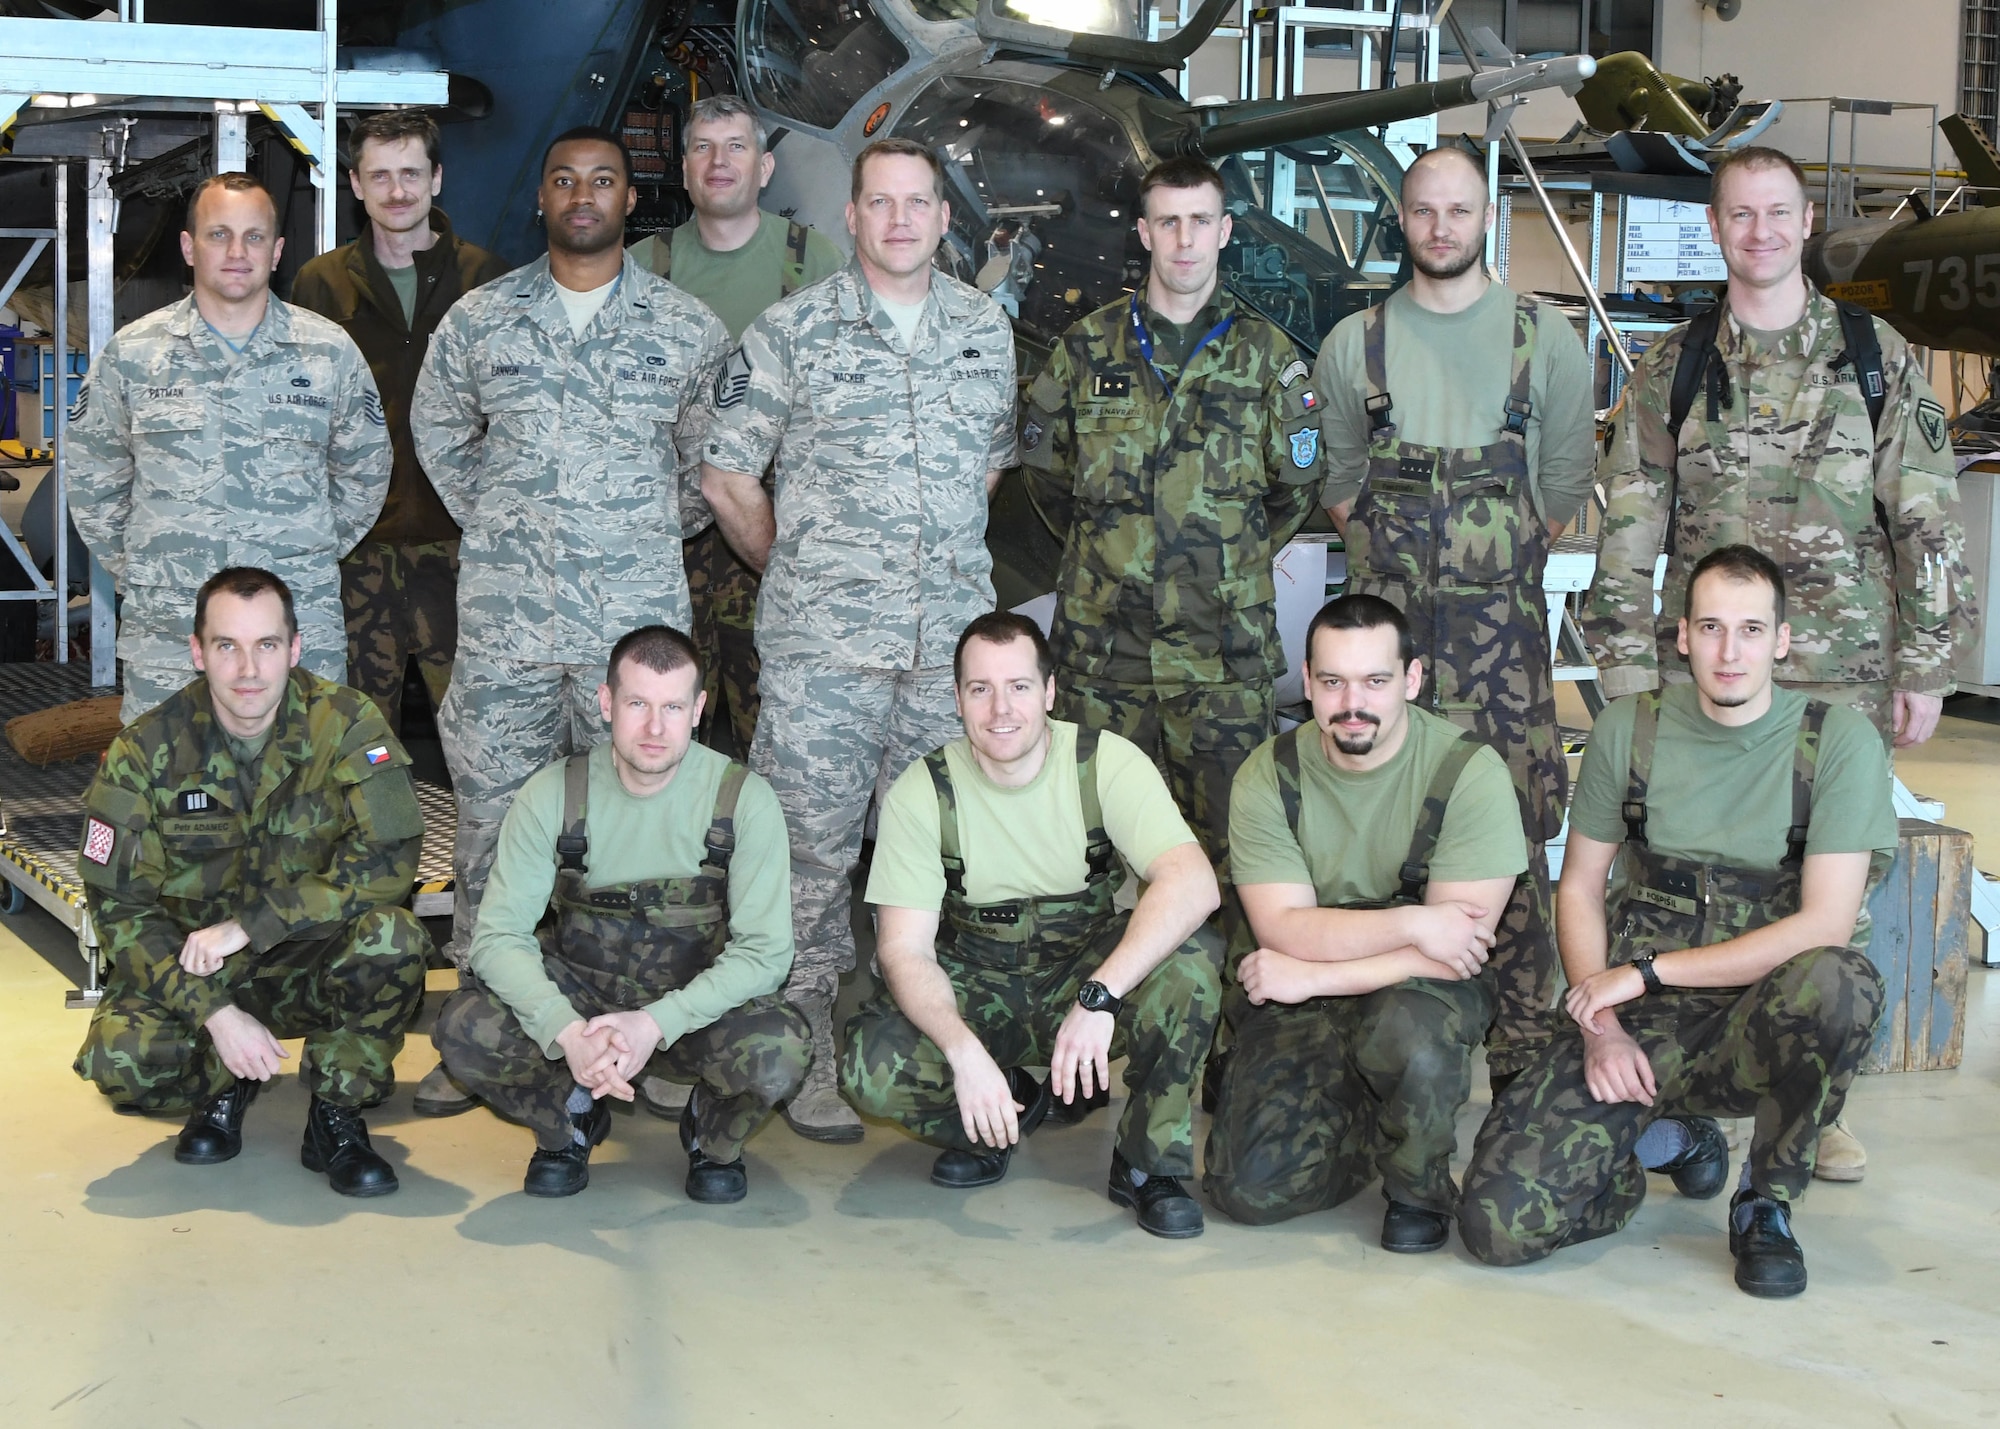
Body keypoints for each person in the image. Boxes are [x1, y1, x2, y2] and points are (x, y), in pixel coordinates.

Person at [1582, 144, 1971, 1180]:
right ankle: (1686, 1076)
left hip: (1836, 676)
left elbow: (1924, 516)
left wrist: (1927, 660)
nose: (1755, 231)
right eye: (1736, 215)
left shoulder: (1874, 355)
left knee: (1834, 885)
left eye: (1774, 214)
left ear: (1805, 225)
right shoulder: (1671, 370)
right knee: (1682, 878)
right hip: (1698, 677)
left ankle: (1812, 1101)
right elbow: (1629, 521)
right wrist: (1622, 665)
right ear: (1714, 229)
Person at [1462, 546, 1895, 1298]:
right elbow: (1581, 886)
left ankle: (1767, 1199)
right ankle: (1670, 1141)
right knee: (1497, 1225)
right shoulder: (1631, 730)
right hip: (1641, 1022)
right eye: (1713, 628)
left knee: (1840, 983)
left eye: (1753, 630)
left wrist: (1645, 972)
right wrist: (1603, 1025)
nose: (1731, 652)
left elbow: (1824, 923)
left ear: (1782, 641)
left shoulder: (1837, 742)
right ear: (1684, 636)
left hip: (1763, 1018)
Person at [697, 137, 1017, 1143]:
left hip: (946, 663)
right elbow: (725, 475)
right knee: (806, 857)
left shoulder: (983, 331)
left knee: (942, 859)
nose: (897, 221)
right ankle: (807, 1051)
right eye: (878, 204)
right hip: (822, 656)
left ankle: (923, 1042)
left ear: (942, 218)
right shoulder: (789, 333)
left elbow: (986, 473)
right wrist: (792, 569)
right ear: (851, 217)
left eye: (915, 204)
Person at [409, 126, 729, 1116]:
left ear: (632, 201)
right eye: (563, 180)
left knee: (638, 838)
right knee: (492, 832)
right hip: (506, 628)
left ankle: (643, 1036)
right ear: (540, 197)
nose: (582, 195)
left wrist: (622, 529)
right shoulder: (480, 322)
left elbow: (705, 468)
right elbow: (439, 434)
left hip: (629, 635)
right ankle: (482, 1036)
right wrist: (512, 518)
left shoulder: (685, 330)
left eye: (602, 180)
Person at [1311, 144, 1596, 1095]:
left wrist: (1489, 554)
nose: (1441, 228)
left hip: (1506, 671)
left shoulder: (1543, 340)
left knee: (1513, 849)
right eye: (1424, 210)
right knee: (1383, 843)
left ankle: (1522, 1058)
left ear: (1487, 219)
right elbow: (1342, 487)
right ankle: (1393, 1046)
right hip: (1386, 673)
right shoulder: (1357, 345)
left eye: (1460, 211)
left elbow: (1560, 489)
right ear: (1404, 219)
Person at [843, 613, 1224, 1237]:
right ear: (959, 698)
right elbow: (904, 952)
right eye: (980, 689)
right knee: (869, 1064)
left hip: (1083, 972)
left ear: (1049, 693)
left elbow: (1193, 884)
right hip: (977, 979)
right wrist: (963, 1054)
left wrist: (1101, 996)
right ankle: (997, 1113)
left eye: (1019, 687)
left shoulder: (1105, 764)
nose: (1001, 709)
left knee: (1194, 960)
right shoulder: (922, 791)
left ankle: (1146, 1164)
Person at [1017, 154, 1319, 906]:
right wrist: (1115, 555)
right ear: (1145, 233)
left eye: (1201, 222)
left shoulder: (1269, 358)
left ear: (1223, 232)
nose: (1185, 240)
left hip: (1221, 669)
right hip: (1102, 664)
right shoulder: (1085, 351)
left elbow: (1296, 490)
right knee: (1087, 861)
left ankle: (1217, 1019)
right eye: (1169, 222)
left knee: (1230, 865)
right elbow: (1048, 480)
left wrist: (1222, 558)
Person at [72, 567, 429, 1197]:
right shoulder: (145, 750)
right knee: (122, 1061)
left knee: (392, 939)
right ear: (197, 651)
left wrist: (256, 923)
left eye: (266, 645)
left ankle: (336, 1114)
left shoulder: (346, 725)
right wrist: (214, 1013)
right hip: (199, 971)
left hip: (309, 959)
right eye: (226, 646)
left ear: (294, 649)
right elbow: (121, 911)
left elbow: (391, 863)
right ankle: (222, 1083)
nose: (248, 669)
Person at [434, 625, 808, 1200]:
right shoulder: (553, 794)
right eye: (637, 704)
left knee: (780, 1050)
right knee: (465, 1030)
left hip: (689, 1010)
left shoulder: (741, 800)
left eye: (673, 707)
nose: (655, 728)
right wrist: (567, 1032)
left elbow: (766, 952)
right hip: (582, 998)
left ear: (699, 709)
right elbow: (498, 936)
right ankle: (568, 1120)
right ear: (607, 703)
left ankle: (712, 1136)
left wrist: (655, 1023)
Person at [1203, 595, 1526, 1252]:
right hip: (1312, 979)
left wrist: (1313, 973)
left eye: (1376, 681)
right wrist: (1414, 924)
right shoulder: (1270, 774)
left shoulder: (1467, 772)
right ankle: (1364, 1122)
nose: (1353, 702)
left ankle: (1418, 1181)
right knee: (1247, 1191)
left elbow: (1455, 953)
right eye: (1333, 681)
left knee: (1409, 1031)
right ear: (1308, 680)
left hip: (1411, 991)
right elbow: (1283, 929)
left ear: (1412, 679)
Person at [69, 174, 390, 723]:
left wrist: (301, 555)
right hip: (172, 632)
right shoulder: (134, 355)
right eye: (218, 235)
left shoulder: (327, 353)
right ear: (189, 247)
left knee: (301, 791)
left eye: (254, 237)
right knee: (167, 792)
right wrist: (154, 566)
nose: (237, 252)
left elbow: (365, 475)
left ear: (278, 250)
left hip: (292, 629)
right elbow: (93, 479)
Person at [630, 94, 843, 763]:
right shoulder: (639, 270)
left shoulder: (818, 264)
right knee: (661, 725)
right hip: (669, 541)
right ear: (684, 170)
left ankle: (764, 861)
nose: (719, 163)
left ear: (766, 167)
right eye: (703, 148)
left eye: (736, 147)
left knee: (779, 727)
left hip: (776, 532)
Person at [291, 108, 509, 735]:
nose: (397, 191)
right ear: (355, 185)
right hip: (357, 549)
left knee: (482, 734)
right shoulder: (321, 285)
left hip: (463, 546)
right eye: (380, 176)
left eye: (411, 173)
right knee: (349, 737)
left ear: (437, 178)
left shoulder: (487, 282)